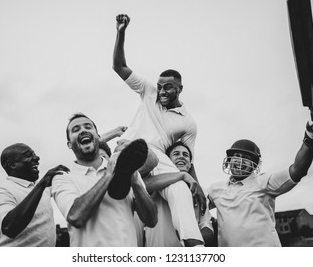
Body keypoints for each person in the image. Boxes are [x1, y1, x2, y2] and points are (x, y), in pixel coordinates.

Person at [113, 13, 204, 246]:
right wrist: (121, 32)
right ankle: (122, 175)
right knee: (129, 200)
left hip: (159, 157)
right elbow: (119, 66)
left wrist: (197, 185)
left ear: (180, 89)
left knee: (181, 189)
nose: (162, 91)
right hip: (132, 147)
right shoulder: (149, 91)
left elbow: (187, 160)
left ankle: (194, 243)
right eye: (161, 86)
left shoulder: (188, 122)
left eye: (169, 88)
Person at [207, 116, 313, 247]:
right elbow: (192, 204)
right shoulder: (215, 189)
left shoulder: (263, 182)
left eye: (245, 157)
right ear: (229, 160)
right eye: (236, 156)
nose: (239, 161)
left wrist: (308, 138)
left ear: (254, 165)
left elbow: (298, 169)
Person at [51, 113, 158, 247]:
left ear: (99, 137)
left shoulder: (126, 169)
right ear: (69, 144)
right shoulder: (63, 177)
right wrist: (108, 175)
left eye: (88, 127)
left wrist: (135, 181)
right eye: (76, 129)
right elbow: (75, 217)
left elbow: (152, 220)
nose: (83, 130)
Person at [0, 143, 68, 246]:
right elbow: (9, 228)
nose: (37, 158)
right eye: (28, 155)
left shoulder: (40, 188)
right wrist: (42, 183)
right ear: (12, 165)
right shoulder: (1, 193)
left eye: (34, 154)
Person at [143, 141, 215, 246]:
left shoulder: (200, 193)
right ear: (167, 160)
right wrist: (182, 175)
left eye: (185, 155)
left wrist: (194, 241)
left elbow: (207, 227)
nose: (181, 157)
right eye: (176, 154)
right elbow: (145, 185)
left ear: (190, 164)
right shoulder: (156, 181)